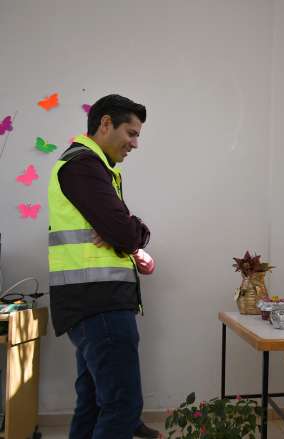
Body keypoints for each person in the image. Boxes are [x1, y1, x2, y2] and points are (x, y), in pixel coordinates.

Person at [47, 94, 158, 438]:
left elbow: (122, 232)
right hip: (99, 305)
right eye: (131, 133)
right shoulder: (83, 166)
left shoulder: (93, 167)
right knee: (122, 406)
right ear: (106, 123)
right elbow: (126, 232)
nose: (135, 143)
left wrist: (125, 233)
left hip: (92, 304)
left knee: (94, 404)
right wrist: (131, 231)